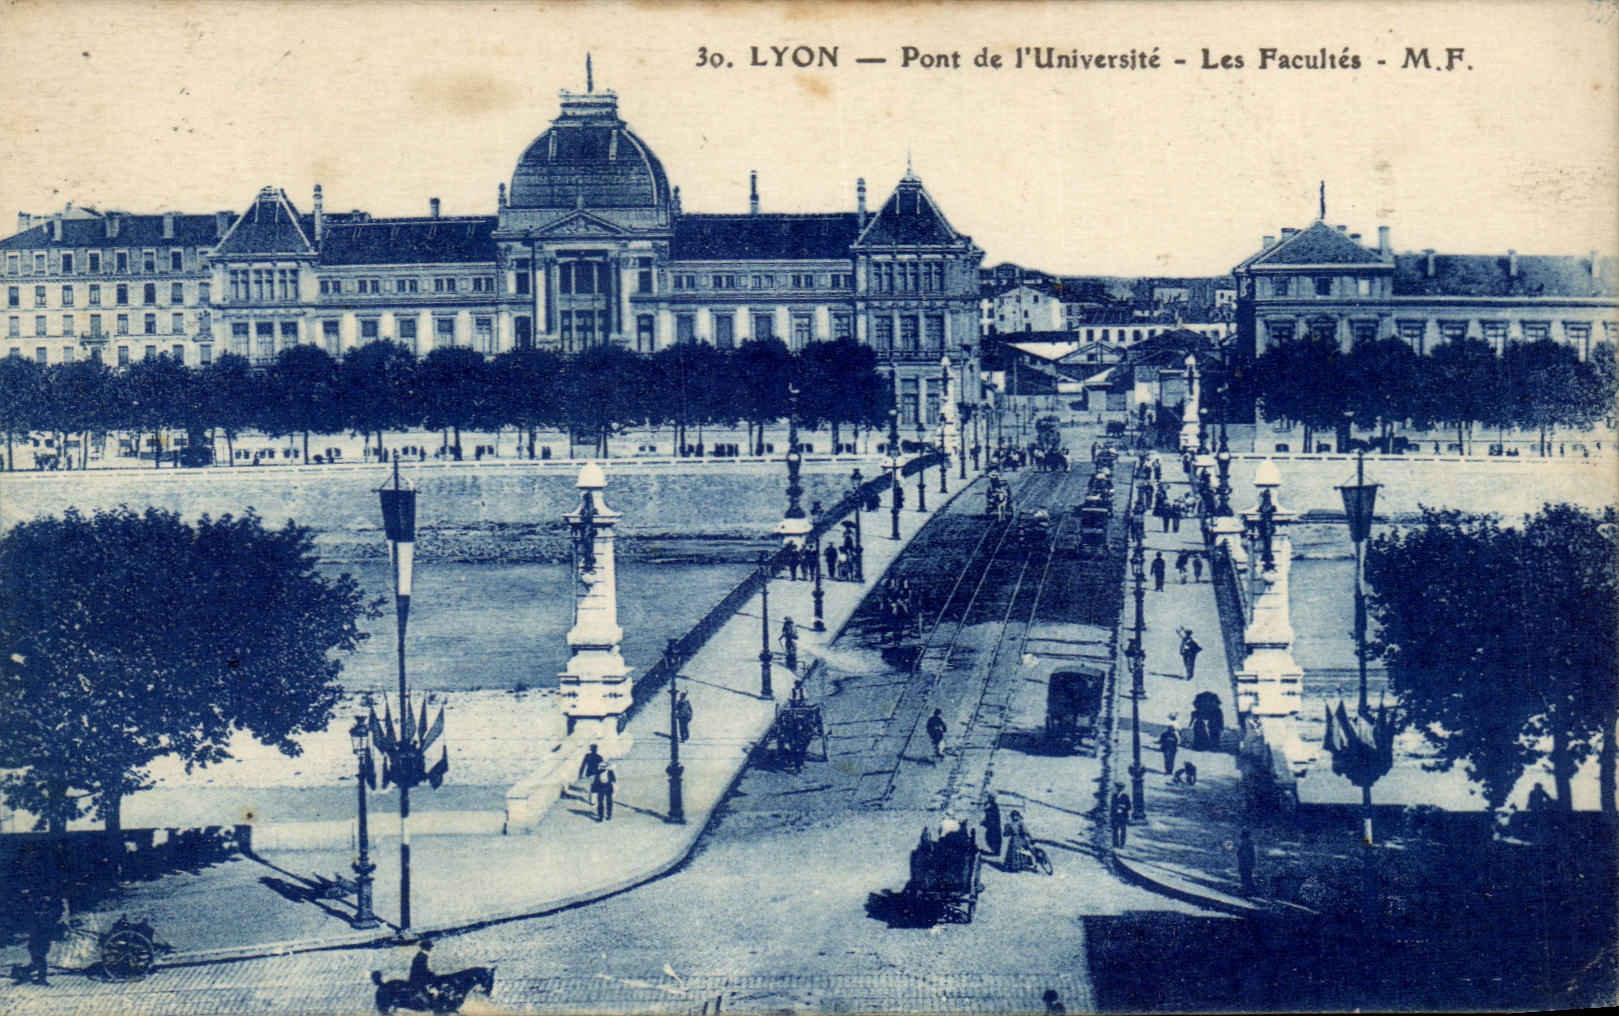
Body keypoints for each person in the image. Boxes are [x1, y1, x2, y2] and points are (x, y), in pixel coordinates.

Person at [1110, 784, 1131, 848]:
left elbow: (1129, 807)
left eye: (1120, 788)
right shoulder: (1114, 796)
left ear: (1122, 789)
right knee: (1115, 830)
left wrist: (1123, 807)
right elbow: (1112, 806)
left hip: (1123, 816)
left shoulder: (1126, 796)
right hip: (1115, 816)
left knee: (1123, 831)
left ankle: (1122, 844)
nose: (1119, 789)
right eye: (1118, 788)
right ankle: (1115, 844)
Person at [1237, 828, 1257, 895]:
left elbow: (1243, 852)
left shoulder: (1245, 842)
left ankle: (1248, 889)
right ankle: (1250, 888)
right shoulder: (1248, 842)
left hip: (1245, 862)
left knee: (1245, 875)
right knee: (1247, 875)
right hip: (1246, 862)